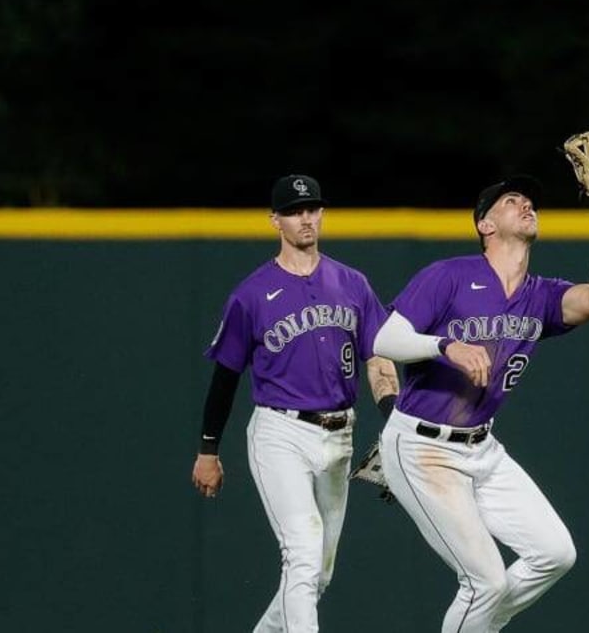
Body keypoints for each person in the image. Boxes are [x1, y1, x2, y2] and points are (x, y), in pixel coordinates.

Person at [190, 173, 462, 632]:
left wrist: (393, 423)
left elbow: (378, 359)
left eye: (313, 208)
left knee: (317, 575)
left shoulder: (351, 283)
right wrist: (207, 450)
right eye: (295, 211)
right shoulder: (252, 294)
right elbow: (225, 377)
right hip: (281, 432)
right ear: (275, 220)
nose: (306, 218)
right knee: (301, 550)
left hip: (340, 435)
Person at [371, 173, 589, 632]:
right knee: (485, 582)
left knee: (555, 553)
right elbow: (385, 338)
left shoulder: (540, 295)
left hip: (482, 449)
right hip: (421, 447)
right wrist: (445, 347)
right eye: (512, 200)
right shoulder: (449, 276)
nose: (526, 203)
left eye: (529, 199)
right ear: (485, 225)